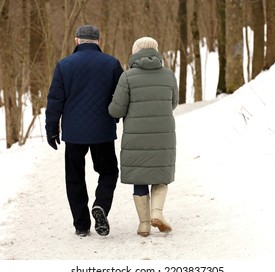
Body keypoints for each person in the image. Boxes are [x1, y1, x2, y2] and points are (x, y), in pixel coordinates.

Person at [45, 25, 123, 237]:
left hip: (74, 134)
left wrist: (51, 128)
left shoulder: (64, 65)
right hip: (103, 131)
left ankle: (81, 225)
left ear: (76, 40)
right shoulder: (112, 64)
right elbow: (121, 97)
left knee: (74, 176)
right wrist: (117, 117)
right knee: (108, 171)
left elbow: (55, 100)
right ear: (99, 41)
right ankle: (101, 206)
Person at [108, 37, 178, 237]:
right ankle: (158, 212)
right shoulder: (169, 75)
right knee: (160, 174)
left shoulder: (128, 77)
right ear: (156, 51)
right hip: (164, 134)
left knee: (140, 177)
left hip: (135, 136)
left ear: (135, 52)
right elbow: (172, 104)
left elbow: (116, 110)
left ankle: (144, 225)